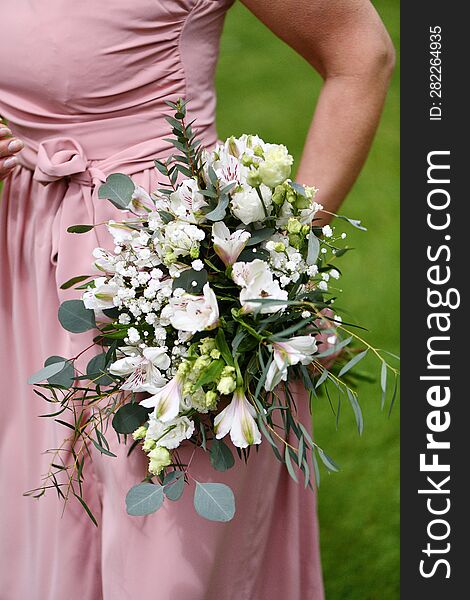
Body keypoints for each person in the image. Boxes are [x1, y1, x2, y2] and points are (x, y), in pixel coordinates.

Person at [0, 1, 394, 598]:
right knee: (44, 518)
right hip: (25, 245)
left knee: (166, 554)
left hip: (164, 270)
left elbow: (360, 56)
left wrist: (267, 264)